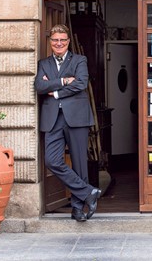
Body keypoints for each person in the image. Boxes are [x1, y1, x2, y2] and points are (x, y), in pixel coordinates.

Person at [34, 24, 101, 222]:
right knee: (52, 161)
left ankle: (78, 209)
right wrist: (63, 81)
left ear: (68, 41)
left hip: (77, 117)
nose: (59, 43)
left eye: (63, 40)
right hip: (52, 118)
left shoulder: (80, 60)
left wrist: (54, 90)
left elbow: (80, 83)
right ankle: (88, 192)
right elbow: (39, 86)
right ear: (50, 42)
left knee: (80, 164)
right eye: (55, 40)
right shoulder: (43, 63)